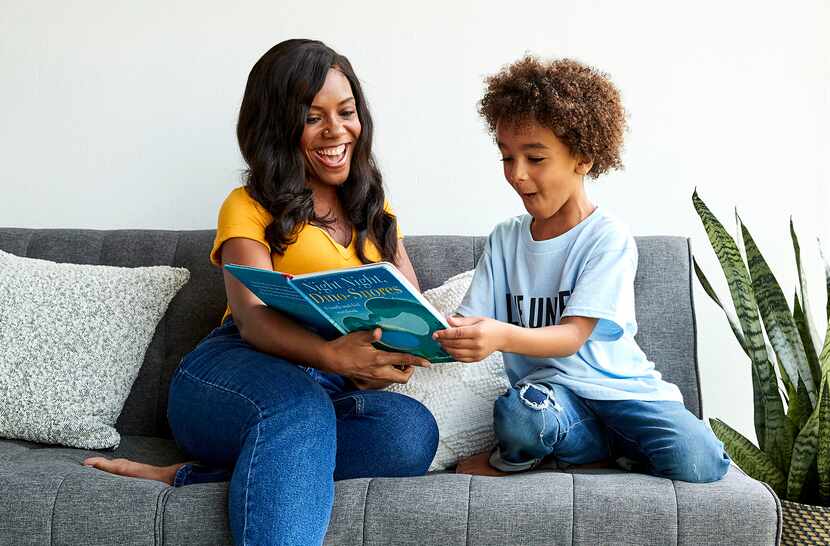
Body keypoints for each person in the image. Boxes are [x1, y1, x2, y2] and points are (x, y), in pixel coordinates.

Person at [83, 39, 439, 546]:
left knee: (408, 432)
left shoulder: (377, 215)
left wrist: (386, 361)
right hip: (233, 372)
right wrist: (333, 356)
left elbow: (410, 313)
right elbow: (251, 318)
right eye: (313, 117)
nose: (337, 131)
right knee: (298, 409)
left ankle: (188, 476)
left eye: (346, 112)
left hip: (326, 386)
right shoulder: (247, 205)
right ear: (278, 125)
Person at [434, 55, 730, 483]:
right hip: (552, 399)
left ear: (584, 158)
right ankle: (592, 449)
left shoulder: (606, 238)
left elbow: (572, 336)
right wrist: (421, 329)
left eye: (535, 158)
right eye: (506, 157)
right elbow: (466, 320)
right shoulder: (505, 238)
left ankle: (594, 449)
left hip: (625, 395)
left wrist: (498, 335)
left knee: (701, 462)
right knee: (519, 414)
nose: (516, 175)